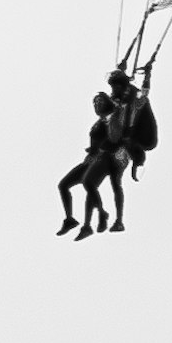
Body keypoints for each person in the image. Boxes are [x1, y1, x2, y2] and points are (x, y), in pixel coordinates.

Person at [58, 90, 125, 239]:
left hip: (106, 159)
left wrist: (116, 110)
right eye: (94, 102)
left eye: (100, 101)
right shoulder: (99, 123)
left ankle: (95, 220)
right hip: (91, 159)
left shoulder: (114, 118)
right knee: (63, 185)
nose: (97, 104)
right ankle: (71, 219)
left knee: (88, 183)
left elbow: (114, 137)